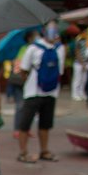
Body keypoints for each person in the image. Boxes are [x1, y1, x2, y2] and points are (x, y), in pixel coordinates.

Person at [16, 21, 64, 163]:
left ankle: (44, 150)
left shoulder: (60, 49)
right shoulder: (33, 48)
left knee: (46, 124)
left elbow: (59, 71)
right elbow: (23, 69)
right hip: (33, 92)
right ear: (43, 30)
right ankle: (23, 152)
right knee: (25, 123)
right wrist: (28, 83)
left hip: (51, 92)